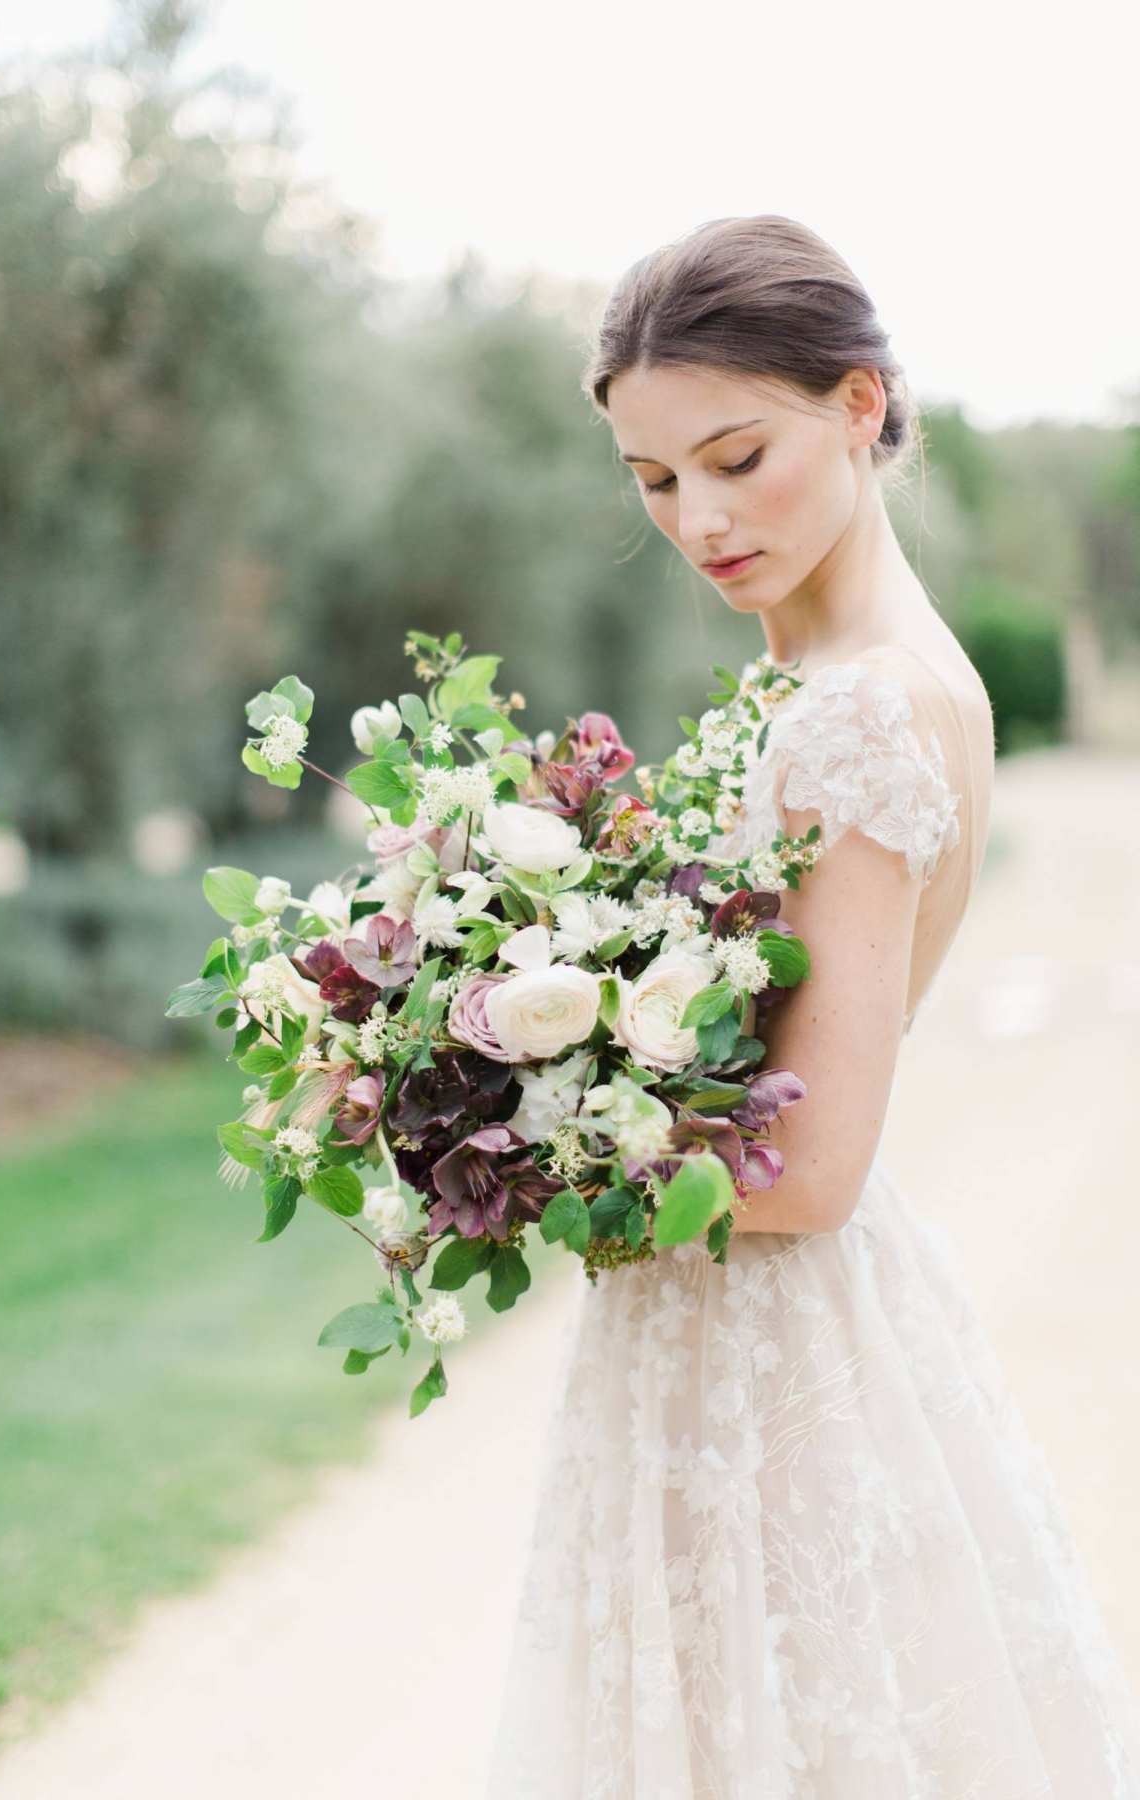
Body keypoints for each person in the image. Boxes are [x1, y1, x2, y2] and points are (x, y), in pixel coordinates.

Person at [482, 215, 1140, 1797]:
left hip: (763, 1347)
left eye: (735, 456)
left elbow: (814, 1166)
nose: (698, 518)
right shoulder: (823, 677)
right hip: (727, 1319)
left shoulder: (866, 708)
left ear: (861, 405)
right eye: (654, 481)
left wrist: (515, 1169)